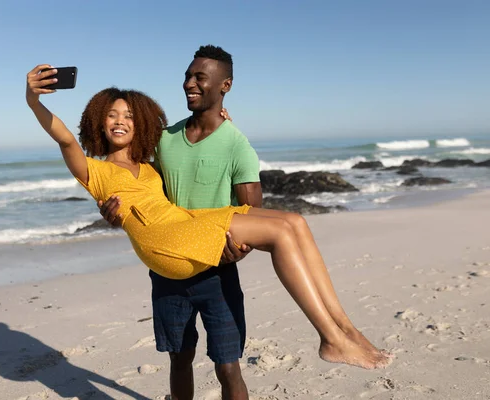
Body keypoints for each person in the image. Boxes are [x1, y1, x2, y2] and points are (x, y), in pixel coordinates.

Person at [25, 61, 392, 373]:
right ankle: (331, 339)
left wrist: (219, 118)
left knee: (294, 221)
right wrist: (33, 99)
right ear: (97, 121)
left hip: (183, 224)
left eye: (129, 116)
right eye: (111, 115)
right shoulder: (92, 171)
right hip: (163, 244)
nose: (120, 121)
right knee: (280, 235)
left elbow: (190, 140)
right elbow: (63, 139)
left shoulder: (152, 167)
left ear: (141, 125)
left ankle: (346, 330)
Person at [99, 45, 261, 400]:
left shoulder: (237, 146)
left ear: (225, 85)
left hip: (216, 271)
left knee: (228, 365)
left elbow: (254, 214)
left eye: (200, 77)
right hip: (168, 272)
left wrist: (240, 250)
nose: (189, 83)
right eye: (187, 76)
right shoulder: (164, 139)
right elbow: (137, 181)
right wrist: (113, 210)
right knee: (179, 358)